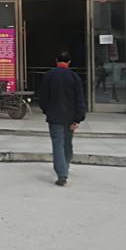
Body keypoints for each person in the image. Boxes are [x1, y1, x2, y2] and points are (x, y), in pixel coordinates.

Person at [38, 50, 86, 186]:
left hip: (54, 116)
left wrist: (46, 110)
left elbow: (43, 97)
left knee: (57, 144)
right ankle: (65, 166)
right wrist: (78, 118)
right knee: (67, 143)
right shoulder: (74, 77)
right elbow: (79, 99)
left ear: (56, 61)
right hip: (70, 117)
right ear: (69, 62)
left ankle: (62, 174)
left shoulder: (49, 75)